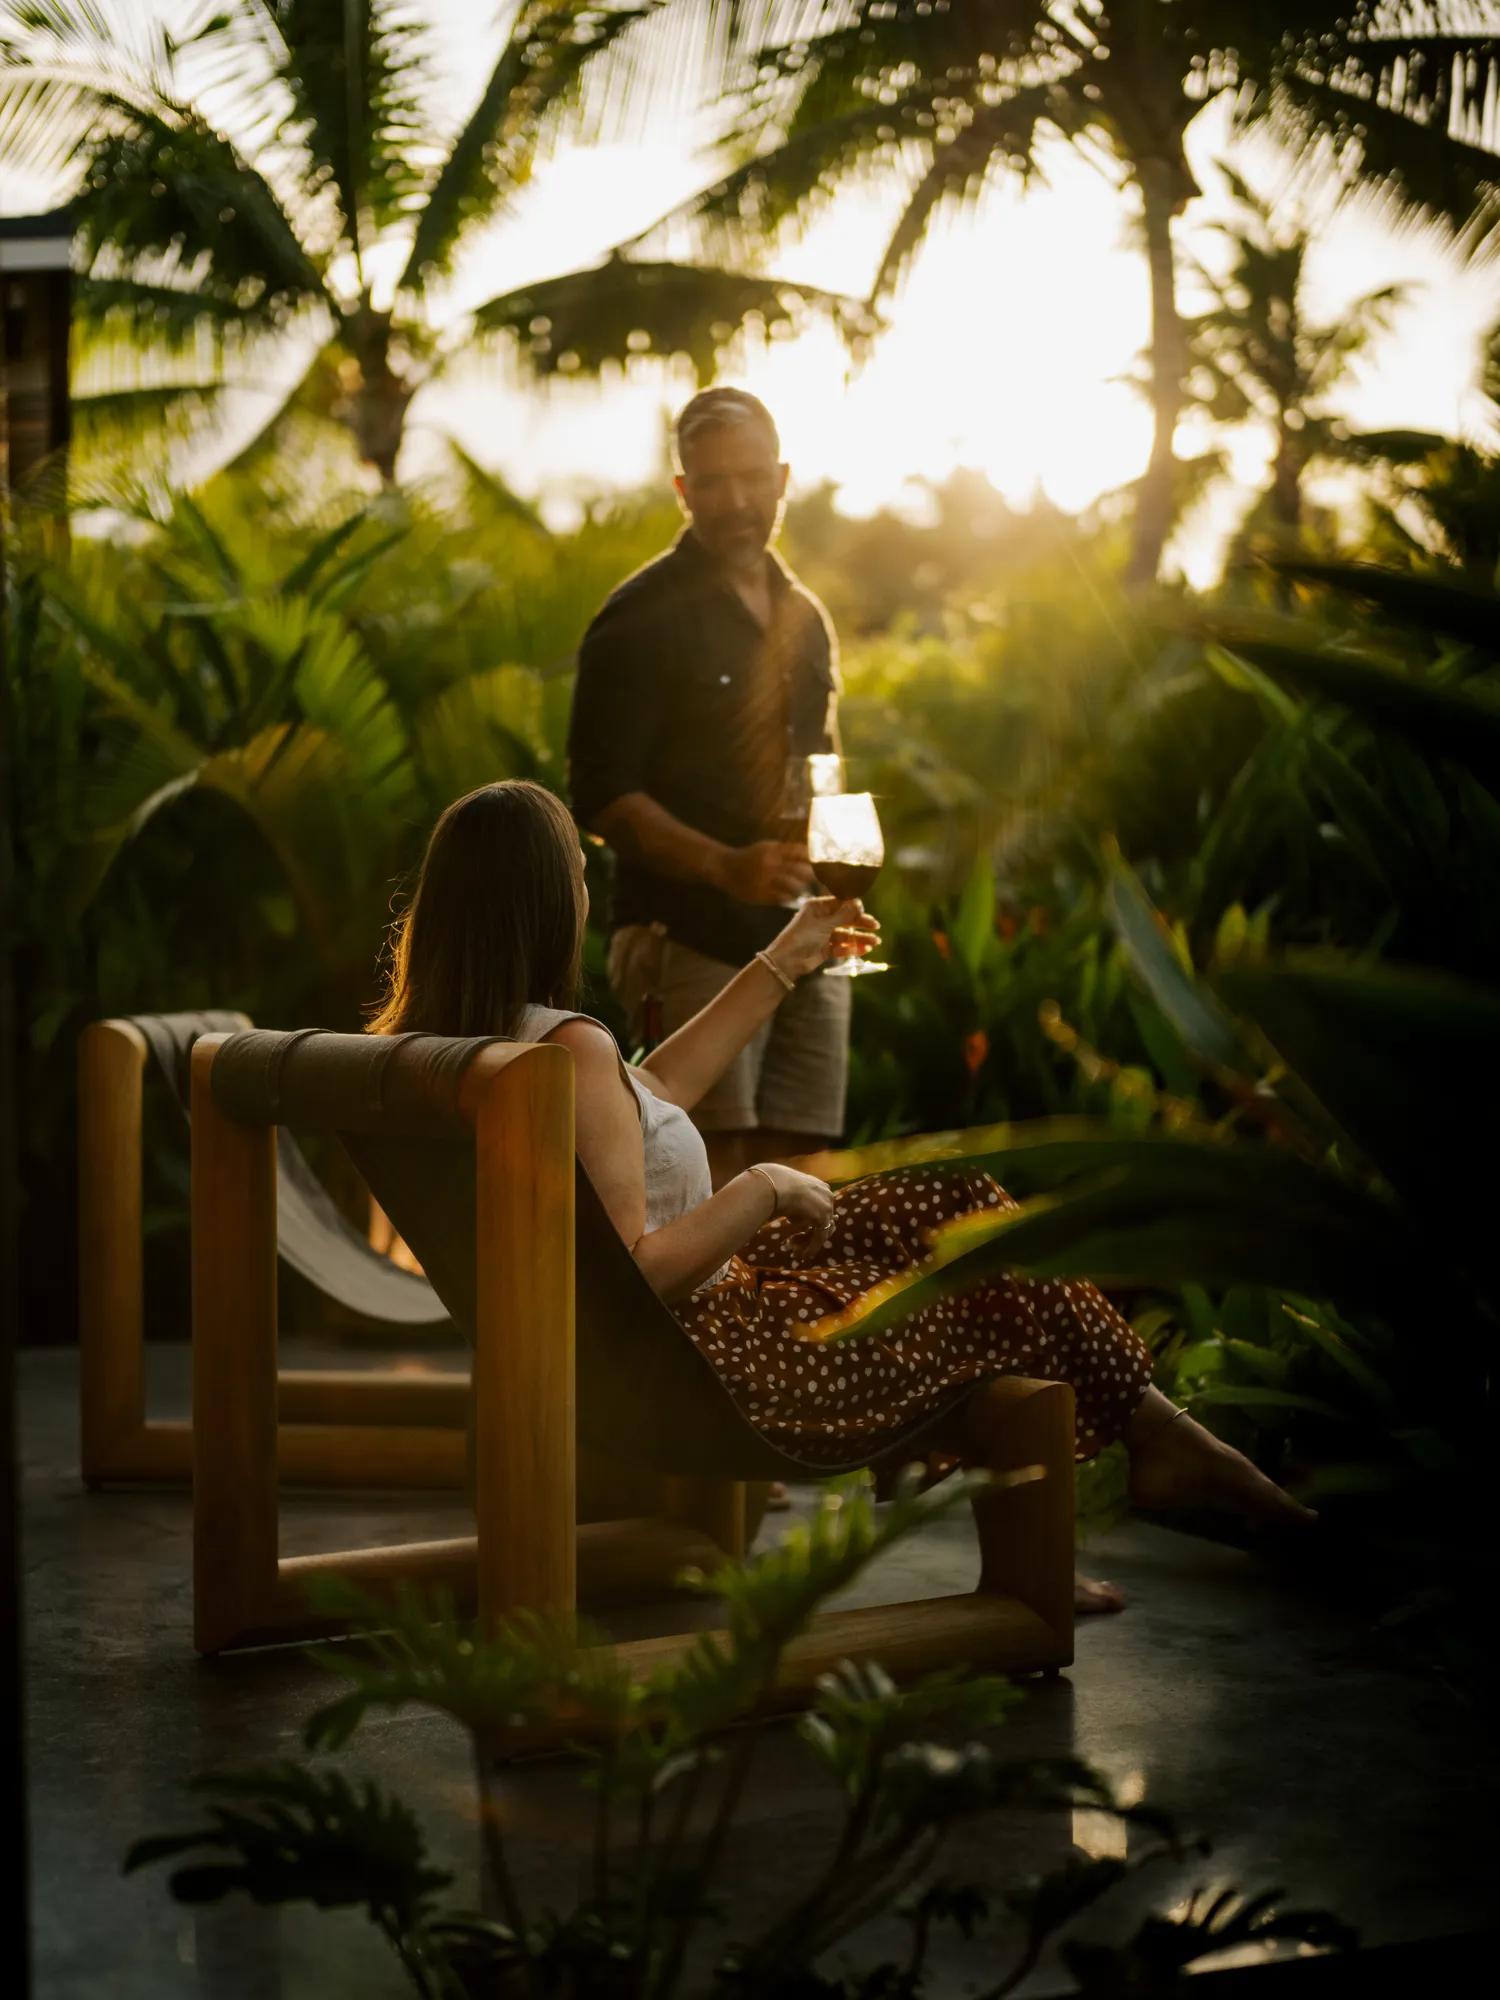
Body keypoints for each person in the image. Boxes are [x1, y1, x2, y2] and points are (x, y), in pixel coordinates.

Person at [368, 781, 1315, 1614]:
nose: (588, 892)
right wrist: (766, 1185)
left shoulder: (461, 1044)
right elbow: (636, 1273)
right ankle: (1176, 1457)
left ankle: (1164, 1447)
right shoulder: (566, 1050)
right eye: (578, 872)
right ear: (542, 902)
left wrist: (786, 957)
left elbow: (652, 1100)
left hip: (666, 1339)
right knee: (995, 1274)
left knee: (954, 1204)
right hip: (715, 1359)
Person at [568, 385, 847, 1191]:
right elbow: (600, 795)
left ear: (783, 477)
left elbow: (820, 766)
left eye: (752, 477)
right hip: (687, 937)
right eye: (713, 482)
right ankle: (706, 1325)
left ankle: (790, 1324)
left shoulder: (807, 615)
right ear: (683, 490)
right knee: (710, 1172)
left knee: (806, 1170)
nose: (735, 500)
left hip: (803, 940)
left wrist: (838, 889)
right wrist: (726, 866)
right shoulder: (639, 618)